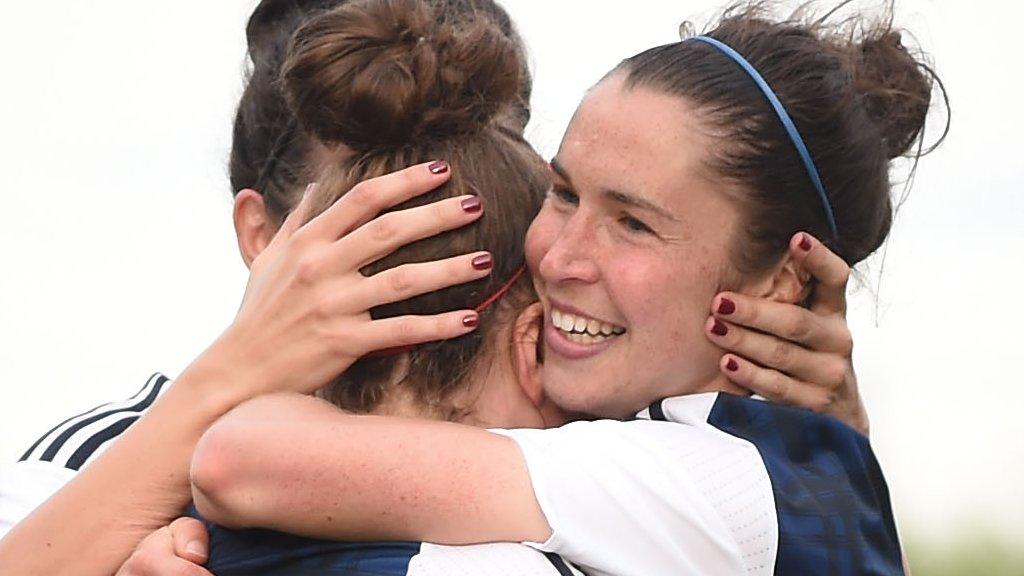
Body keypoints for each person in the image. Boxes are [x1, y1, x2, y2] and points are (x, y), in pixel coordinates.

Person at [0, 0, 869, 574]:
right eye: (362, 248)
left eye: (479, 223)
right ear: (263, 244)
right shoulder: (93, 458)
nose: (563, 257)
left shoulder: (670, 469)